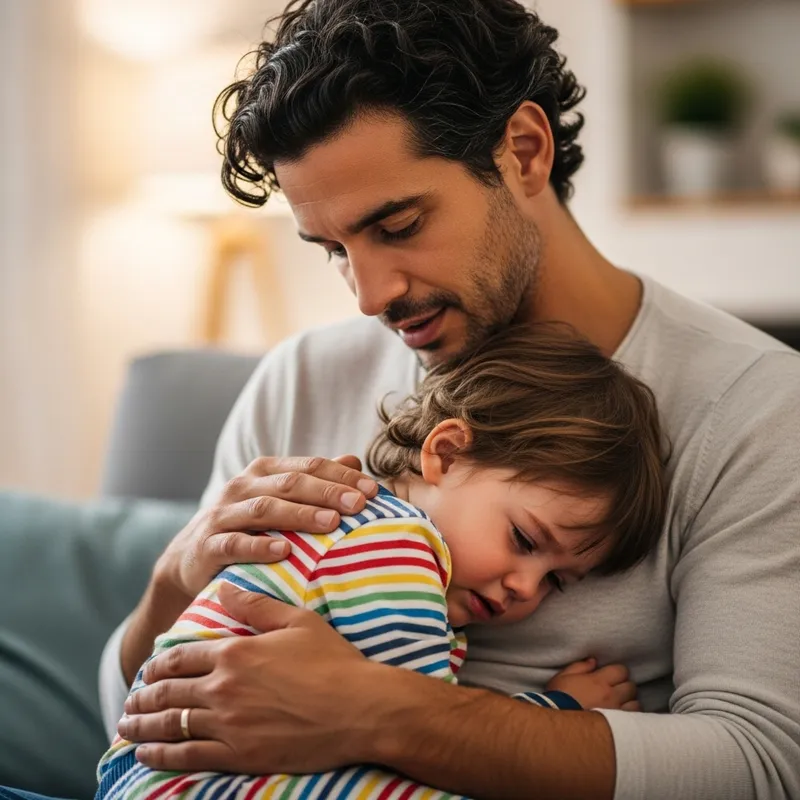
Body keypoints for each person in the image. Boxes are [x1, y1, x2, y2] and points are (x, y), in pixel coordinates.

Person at [100, 1, 800, 798]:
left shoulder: (757, 411)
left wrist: (375, 713)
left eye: (397, 225)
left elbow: (760, 766)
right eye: (334, 250)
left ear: (524, 152)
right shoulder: (301, 378)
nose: (369, 296)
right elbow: (124, 734)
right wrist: (173, 581)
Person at [97, 325, 664, 798]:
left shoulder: (357, 526)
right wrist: (558, 709)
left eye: (556, 581)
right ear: (446, 454)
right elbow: (428, 744)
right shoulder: (397, 547)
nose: (526, 587)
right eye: (524, 539)